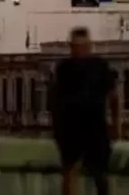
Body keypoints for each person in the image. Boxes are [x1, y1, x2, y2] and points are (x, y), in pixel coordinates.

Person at [50, 26, 120, 195]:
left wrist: (116, 124)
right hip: (70, 127)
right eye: (76, 47)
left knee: (100, 174)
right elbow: (56, 99)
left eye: (82, 47)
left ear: (89, 46)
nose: (79, 51)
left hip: (95, 126)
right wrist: (57, 127)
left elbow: (113, 96)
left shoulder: (100, 66)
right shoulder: (64, 68)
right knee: (70, 172)